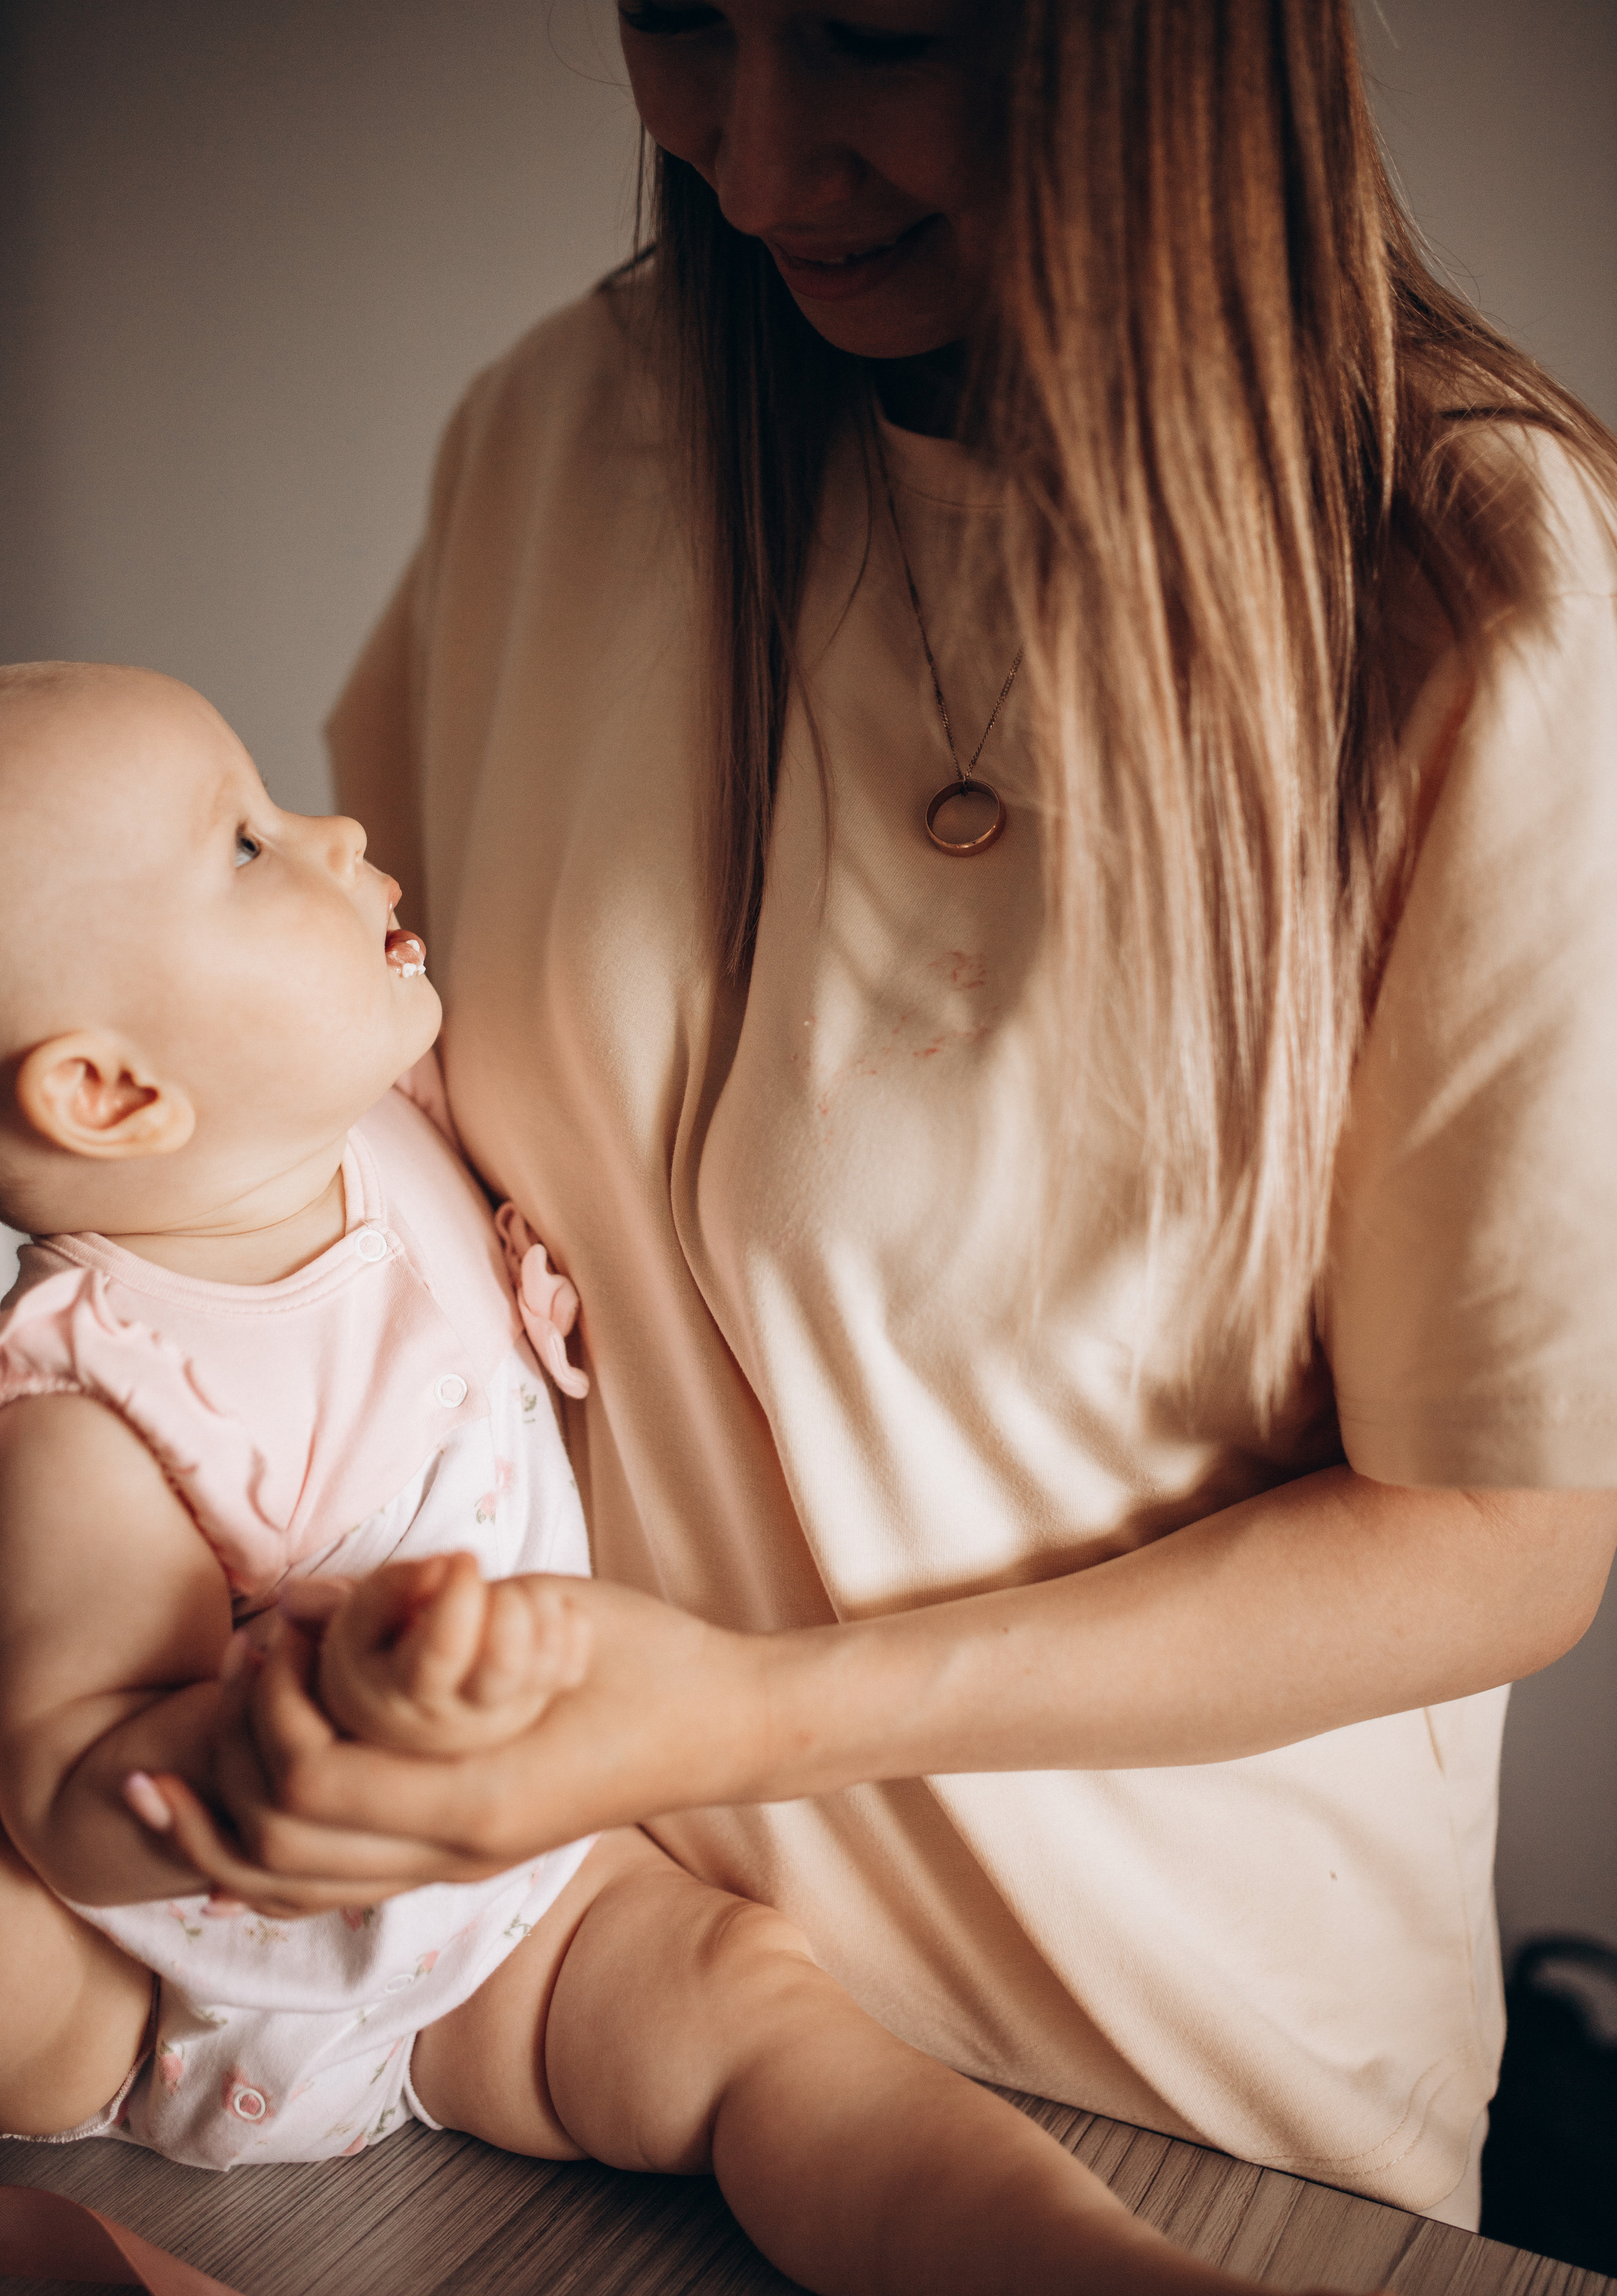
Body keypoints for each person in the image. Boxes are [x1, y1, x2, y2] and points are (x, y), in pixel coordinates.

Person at [123, 0, 1617, 2239]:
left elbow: (1500, 1532)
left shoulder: (1472, 590)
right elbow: (361, 1155)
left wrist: (743, 1715)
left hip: (1188, 2108)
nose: (753, 159)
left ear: (1173, 16)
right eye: (665, 16)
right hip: (553, 2046)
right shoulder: (558, 436)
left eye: (884, 36)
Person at [0, 657, 1330, 2296]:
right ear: (112, 1092)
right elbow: (65, 1777)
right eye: (252, 847)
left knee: (753, 2005)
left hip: (512, 1917)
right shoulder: (94, 1393)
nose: (340, 834)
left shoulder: (390, 1122)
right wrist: (239, 1754)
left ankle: (1091, 2265)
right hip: (161, 1985)